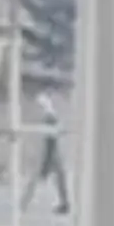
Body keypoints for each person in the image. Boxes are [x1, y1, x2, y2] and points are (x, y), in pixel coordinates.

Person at [25, 87, 71, 215]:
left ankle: (24, 202)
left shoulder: (48, 115)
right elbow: (53, 137)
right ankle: (25, 202)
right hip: (53, 152)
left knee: (39, 178)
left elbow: (51, 138)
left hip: (51, 152)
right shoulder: (50, 114)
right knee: (55, 178)